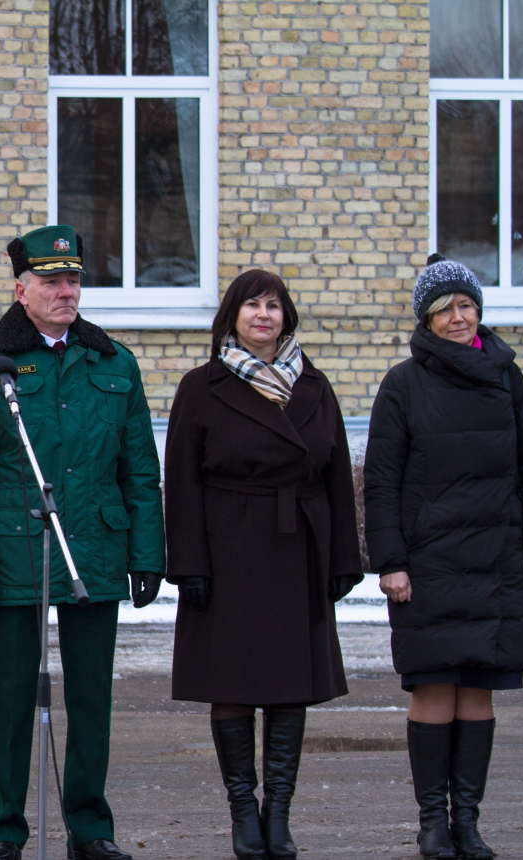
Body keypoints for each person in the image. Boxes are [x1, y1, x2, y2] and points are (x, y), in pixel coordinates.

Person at [0, 225, 165, 860]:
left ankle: (91, 828)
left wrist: (147, 554)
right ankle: (6, 831)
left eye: (74, 280)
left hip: (95, 547)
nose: (66, 292)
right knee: (9, 703)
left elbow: (139, 471)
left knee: (92, 701)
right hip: (13, 554)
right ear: (21, 288)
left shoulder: (114, 363)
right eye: (51, 281)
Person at [163, 269, 362, 860]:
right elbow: (180, 480)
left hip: (298, 545)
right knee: (231, 682)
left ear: (287, 317)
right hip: (227, 547)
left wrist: (343, 559)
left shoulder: (315, 386)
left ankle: (279, 812)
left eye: (274, 306)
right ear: (232, 315)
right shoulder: (203, 385)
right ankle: (242, 810)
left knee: (287, 684)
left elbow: (336, 476)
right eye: (253, 305)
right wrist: (188, 562)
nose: (264, 316)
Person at [363, 254, 523, 860]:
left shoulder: (507, 377)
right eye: (446, 310)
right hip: (429, 562)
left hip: (494, 554)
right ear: (427, 320)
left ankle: (468, 822)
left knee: (480, 689)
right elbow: (380, 483)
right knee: (435, 685)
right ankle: (432, 824)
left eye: (467, 306)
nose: (459, 318)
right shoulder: (403, 384)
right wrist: (390, 561)